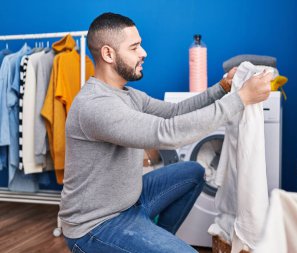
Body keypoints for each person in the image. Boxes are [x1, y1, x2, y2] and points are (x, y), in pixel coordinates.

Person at [59, 12, 273, 253]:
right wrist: (241, 99)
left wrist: (222, 88)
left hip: (132, 201)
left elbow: (175, 112)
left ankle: (148, 242)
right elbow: (167, 132)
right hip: (96, 226)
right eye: (135, 47)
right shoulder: (94, 105)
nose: (144, 53)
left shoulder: (128, 95)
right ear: (108, 53)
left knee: (193, 171)